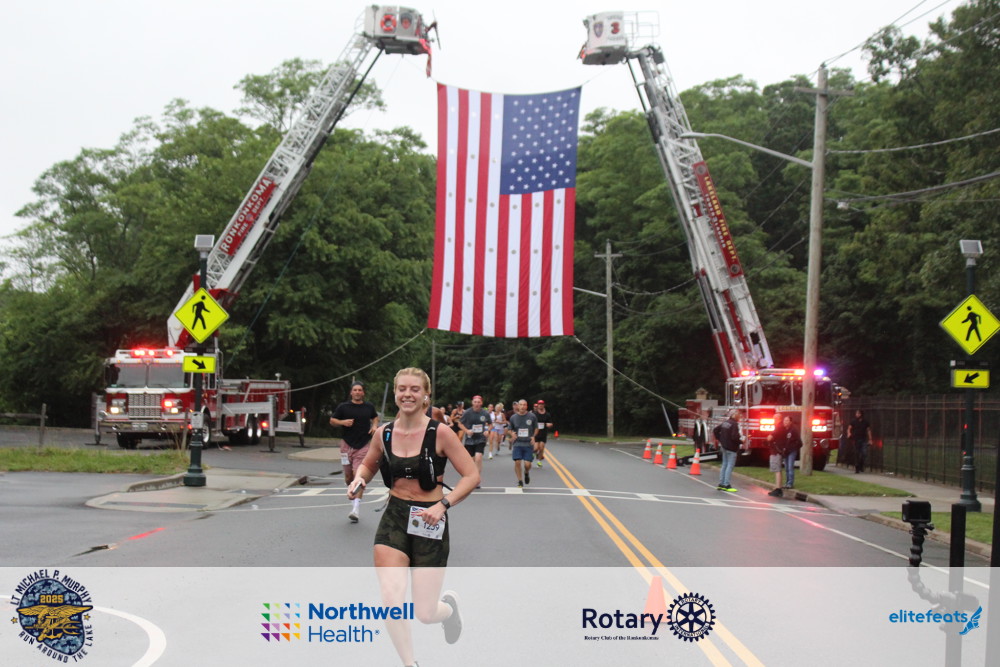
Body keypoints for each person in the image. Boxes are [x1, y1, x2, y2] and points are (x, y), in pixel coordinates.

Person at [348, 367, 479, 667]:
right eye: (402, 389)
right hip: (394, 517)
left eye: (415, 389)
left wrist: (443, 505)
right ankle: (410, 664)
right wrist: (359, 480)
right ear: (395, 393)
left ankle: (448, 610)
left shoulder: (440, 433)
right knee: (391, 598)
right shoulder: (384, 433)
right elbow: (368, 465)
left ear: (425, 396)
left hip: (429, 520)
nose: (408, 394)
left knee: (425, 613)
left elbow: (472, 476)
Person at [329, 381, 379, 523]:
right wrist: (342, 422)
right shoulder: (343, 407)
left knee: (359, 476)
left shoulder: (368, 407)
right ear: (351, 392)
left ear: (363, 393)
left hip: (363, 446)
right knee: (348, 477)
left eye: (360, 390)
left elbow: (375, 417)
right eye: (355, 390)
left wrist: (374, 426)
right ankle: (353, 498)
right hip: (346, 446)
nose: (357, 392)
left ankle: (356, 509)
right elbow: (332, 420)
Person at [458, 395, 491, 486]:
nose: (477, 404)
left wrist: (487, 430)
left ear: (481, 403)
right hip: (470, 439)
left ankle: (477, 479)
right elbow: (460, 424)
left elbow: (491, 424)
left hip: (481, 438)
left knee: (478, 457)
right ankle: (471, 477)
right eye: (475, 402)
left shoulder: (485, 413)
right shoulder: (467, 412)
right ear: (472, 403)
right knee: (471, 460)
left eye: (478, 402)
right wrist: (467, 431)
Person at [767, 415, 803, 496]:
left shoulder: (791, 429)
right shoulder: (784, 428)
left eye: (787, 420)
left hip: (791, 450)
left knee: (789, 467)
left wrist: (793, 448)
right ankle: (786, 483)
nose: (785, 422)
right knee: (786, 467)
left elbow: (770, 438)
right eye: (785, 420)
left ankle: (788, 484)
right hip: (785, 451)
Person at [507, 399, 538, 487]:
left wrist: (533, 436)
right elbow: (509, 429)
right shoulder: (513, 417)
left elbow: (536, 428)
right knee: (517, 462)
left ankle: (526, 472)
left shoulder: (532, 416)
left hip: (528, 443)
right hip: (518, 443)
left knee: (527, 464)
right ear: (518, 406)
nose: (522, 406)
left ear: (526, 406)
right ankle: (520, 480)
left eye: (524, 405)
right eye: (521, 405)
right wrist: (512, 434)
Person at [713, 409, 743, 493]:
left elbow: (715, 430)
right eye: (738, 415)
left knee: (724, 465)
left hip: (724, 447)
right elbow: (734, 437)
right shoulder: (734, 424)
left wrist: (720, 439)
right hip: (731, 448)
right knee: (730, 465)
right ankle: (726, 484)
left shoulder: (725, 423)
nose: (740, 416)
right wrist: (741, 441)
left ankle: (721, 483)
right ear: (734, 415)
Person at [847, 409, 873, 473]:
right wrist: (849, 433)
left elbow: (868, 430)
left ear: (861, 414)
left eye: (858, 413)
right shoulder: (853, 421)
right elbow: (849, 428)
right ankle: (857, 467)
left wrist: (870, 439)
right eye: (856, 413)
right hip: (856, 439)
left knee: (864, 453)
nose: (857, 415)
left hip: (863, 439)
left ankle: (861, 464)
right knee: (857, 453)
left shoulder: (866, 422)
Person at [532, 400, 554, 467]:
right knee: (536, 448)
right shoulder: (534, 414)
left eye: (542, 404)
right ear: (538, 405)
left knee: (541, 448)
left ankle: (539, 461)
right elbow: (531, 422)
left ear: (544, 405)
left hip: (543, 433)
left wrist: (549, 425)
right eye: (539, 404)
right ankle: (533, 453)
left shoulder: (547, 414)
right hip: (536, 433)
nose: (540, 405)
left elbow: (550, 423)